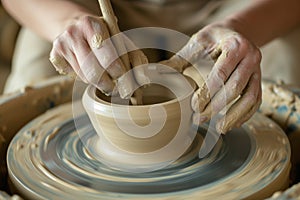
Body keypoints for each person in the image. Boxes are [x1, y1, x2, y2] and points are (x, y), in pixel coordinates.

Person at [2, 0, 300, 133]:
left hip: (238, 6)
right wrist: (66, 22)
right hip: (91, 9)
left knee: (275, 88)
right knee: (34, 86)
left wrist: (241, 27)